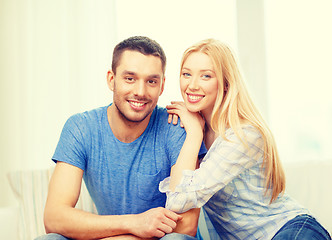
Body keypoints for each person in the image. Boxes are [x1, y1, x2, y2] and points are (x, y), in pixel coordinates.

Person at [35, 36, 206, 240]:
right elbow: (54, 218)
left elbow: (185, 227)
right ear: (111, 79)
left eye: (151, 81)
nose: (140, 92)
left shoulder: (176, 127)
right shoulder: (81, 127)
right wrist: (135, 223)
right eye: (130, 78)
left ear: (161, 86)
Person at [160, 38, 331, 239]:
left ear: (225, 83)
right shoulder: (193, 131)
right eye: (186, 74)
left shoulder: (243, 136)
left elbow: (177, 200)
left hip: (291, 231)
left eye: (206, 76)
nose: (192, 85)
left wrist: (195, 133)